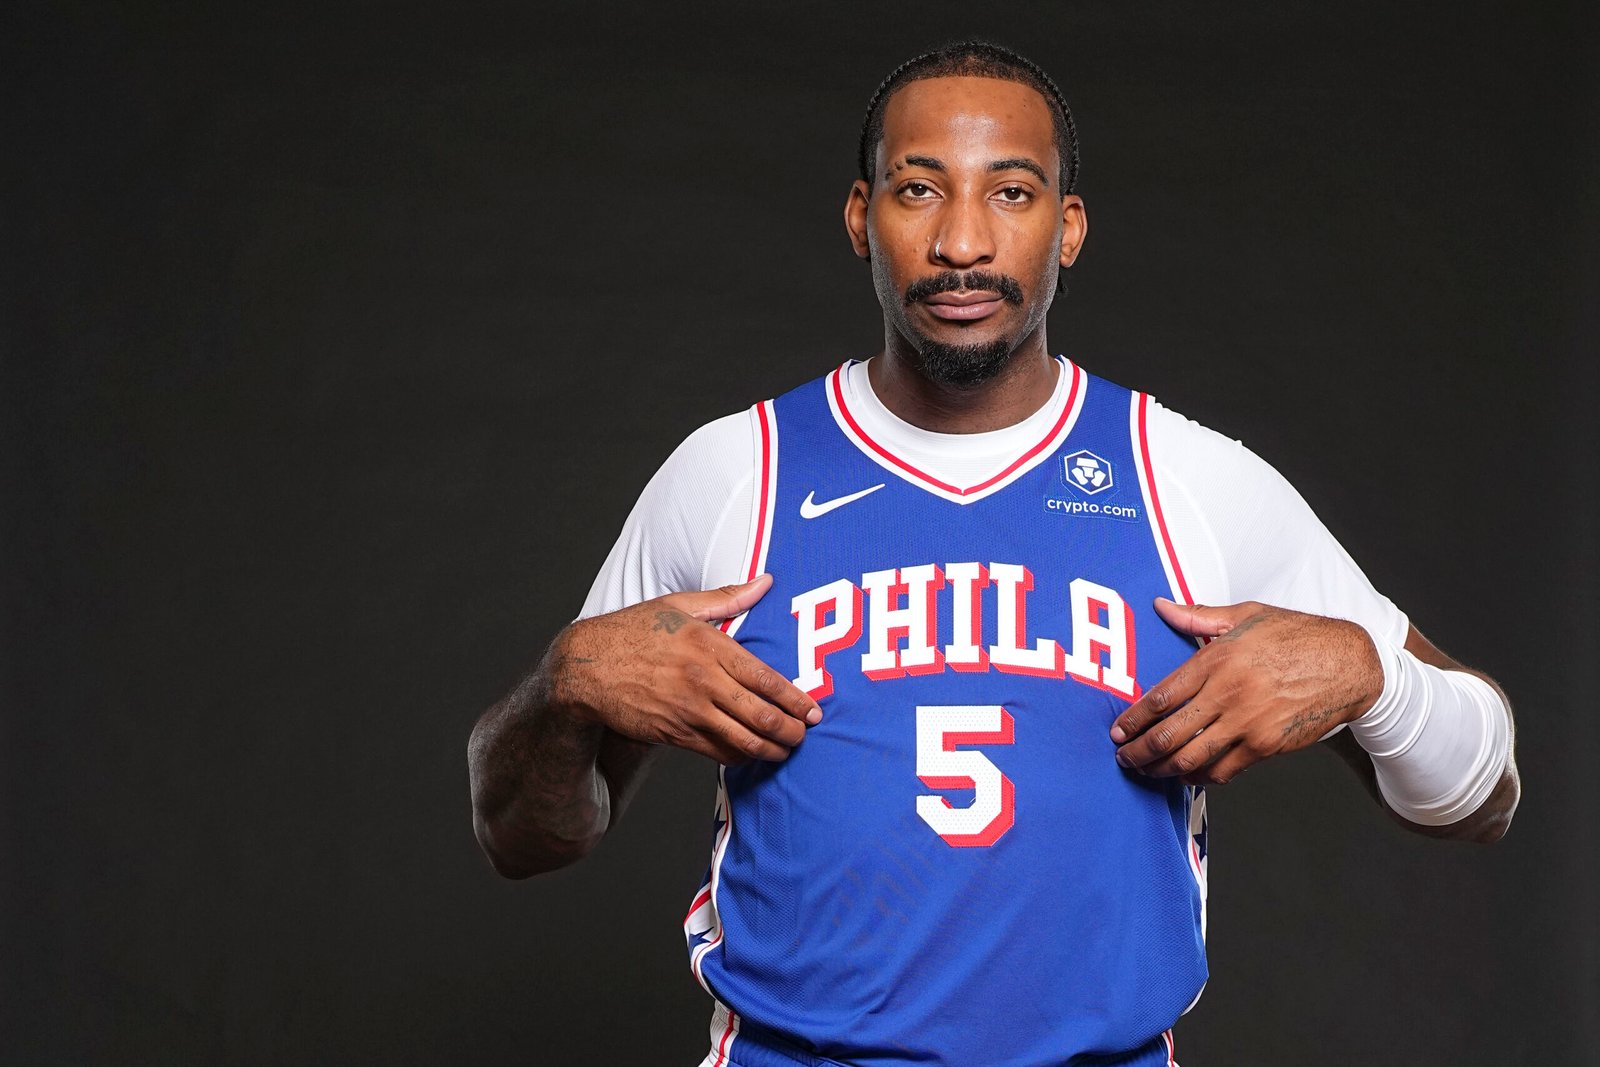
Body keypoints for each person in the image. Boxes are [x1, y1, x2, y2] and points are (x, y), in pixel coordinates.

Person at [467, 41, 1520, 1067]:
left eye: (1009, 194)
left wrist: (1374, 677)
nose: (962, 242)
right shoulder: (733, 471)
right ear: (858, 218)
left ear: (1067, 229)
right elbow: (523, 835)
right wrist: (563, 689)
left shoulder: (1188, 478)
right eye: (918, 191)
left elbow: (1483, 795)